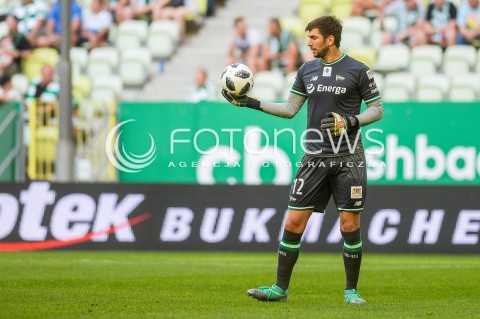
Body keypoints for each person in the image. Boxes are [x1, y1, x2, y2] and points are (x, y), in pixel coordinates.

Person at [221, 15, 384, 304]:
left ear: (330, 39)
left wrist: (350, 121)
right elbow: (289, 109)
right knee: (294, 222)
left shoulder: (358, 70)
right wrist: (252, 103)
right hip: (315, 157)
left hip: (349, 158)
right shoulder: (307, 70)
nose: (308, 43)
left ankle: (351, 291)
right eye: (308, 38)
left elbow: (377, 110)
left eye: (313, 38)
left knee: (348, 224)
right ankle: (280, 289)